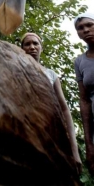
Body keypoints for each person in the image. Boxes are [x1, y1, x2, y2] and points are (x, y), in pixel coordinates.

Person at [21, 32, 82, 173]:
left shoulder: (51, 74)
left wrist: (74, 151)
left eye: (35, 43)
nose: (32, 47)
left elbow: (64, 110)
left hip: (50, 134)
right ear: (22, 48)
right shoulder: (15, 70)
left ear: (41, 48)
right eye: (27, 44)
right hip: (24, 132)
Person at [74, 12, 94, 175]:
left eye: (89, 25)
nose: (86, 30)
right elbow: (85, 101)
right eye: (80, 28)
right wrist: (89, 143)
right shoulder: (80, 62)